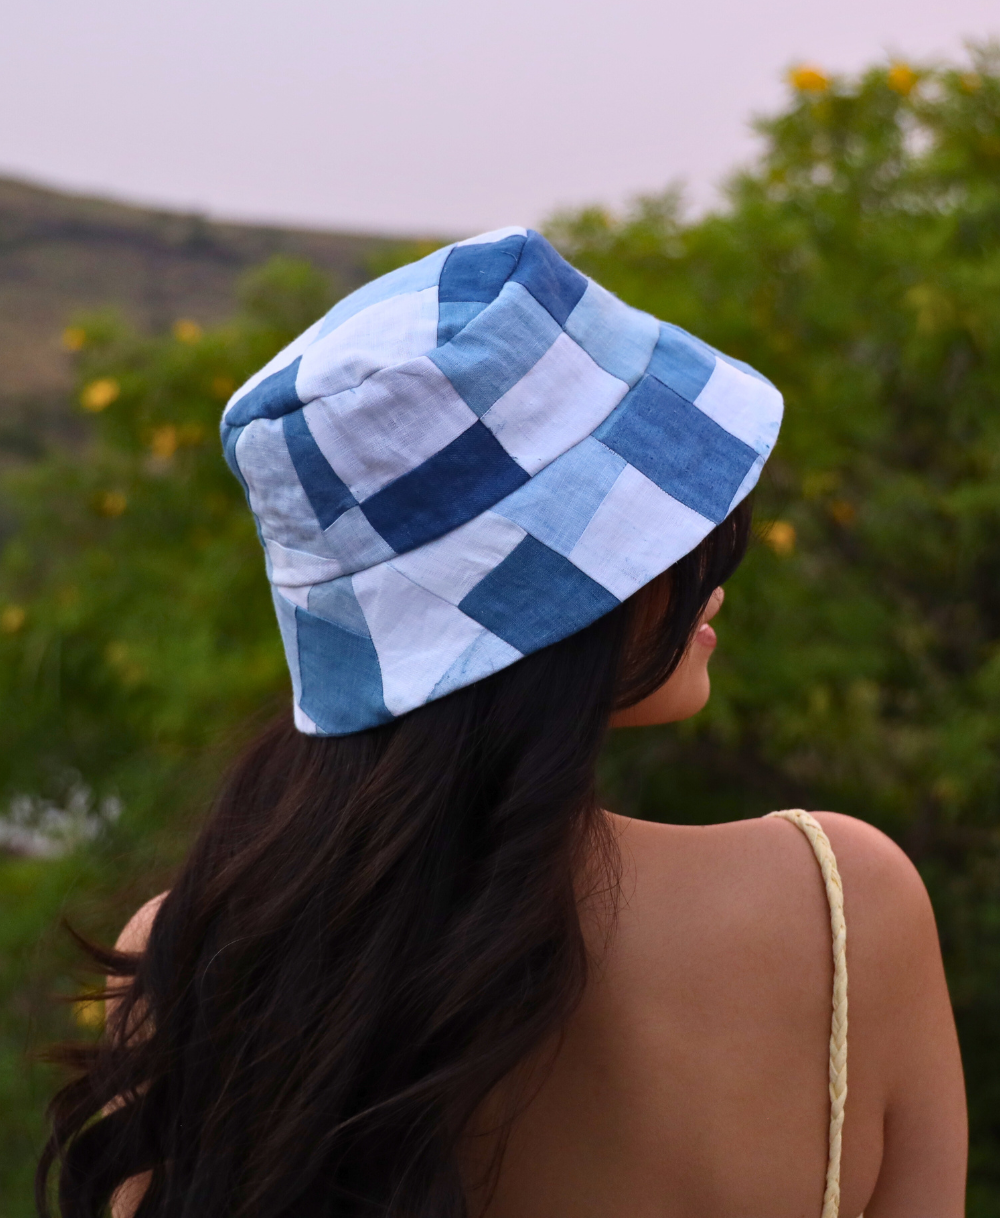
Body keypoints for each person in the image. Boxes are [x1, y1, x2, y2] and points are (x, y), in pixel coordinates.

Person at [39, 229, 966, 1218]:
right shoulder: (840, 907)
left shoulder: (202, 960)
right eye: (656, 527)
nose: (710, 567)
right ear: (566, 599)